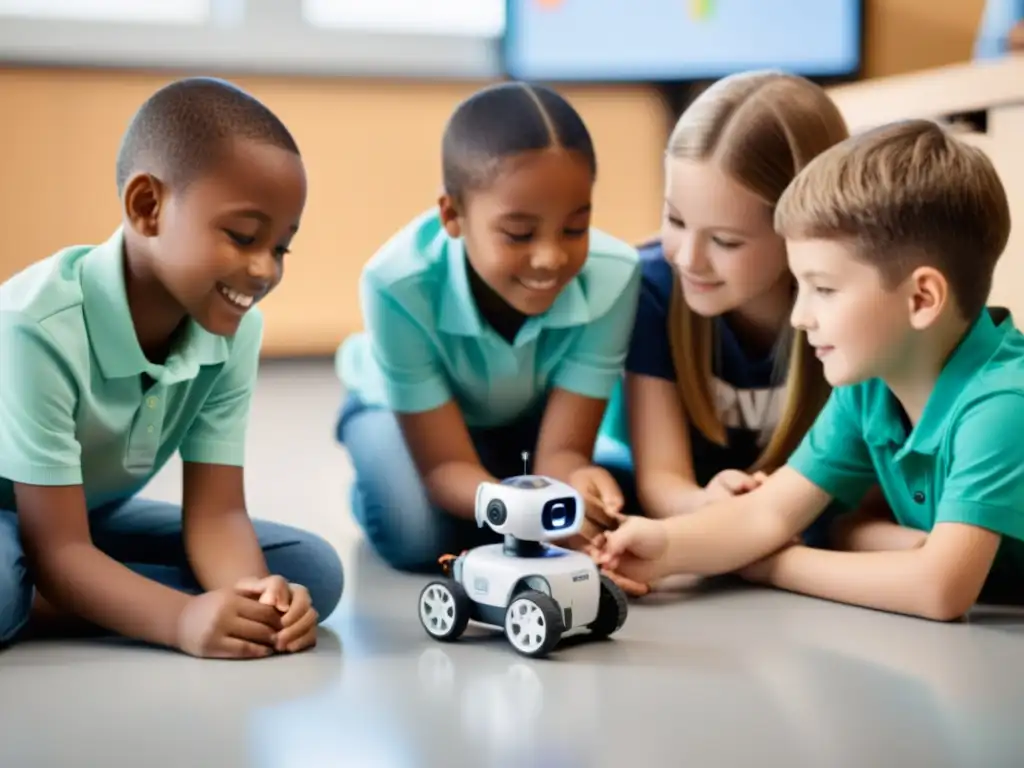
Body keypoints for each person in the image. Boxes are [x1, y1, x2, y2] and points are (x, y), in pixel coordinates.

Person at [595, 119, 1024, 621]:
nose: (800, 317)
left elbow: (937, 590)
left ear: (921, 298)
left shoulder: (1003, 403)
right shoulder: (870, 388)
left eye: (823, 289)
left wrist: (774, 566)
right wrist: (664, 547)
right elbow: (769, 511)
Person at [0, 77, 344, 655]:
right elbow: (58, 549)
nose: (264, 271)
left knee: (309, 571)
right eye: (242, 236)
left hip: (80, 512)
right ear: (147, 207)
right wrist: (179, 620)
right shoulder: (35, 327)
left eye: (281, 247)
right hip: (30, 521)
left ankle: (74, 596)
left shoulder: (232, 330)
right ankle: (62, 595)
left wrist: (253, 598)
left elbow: (217, 515)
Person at [336, 82, 641, 572]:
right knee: (417, 535)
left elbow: (562, 452)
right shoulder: (395, 283)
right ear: (452, 215)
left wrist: (572, 493)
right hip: (406, 416)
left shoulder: (616, 275)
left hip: (523, 420)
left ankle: (497, 485)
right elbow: (443, 465)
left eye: (575, 228)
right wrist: (532, 514)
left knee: (619, 500)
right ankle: (378, 484)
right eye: (519, 234)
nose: (551, 258)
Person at [592, 72, 850, 542]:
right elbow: (662, 484)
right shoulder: (653, 289)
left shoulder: (850, 307)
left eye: (726, 241)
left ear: (802, 232)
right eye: (675, 219)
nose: (688, 258)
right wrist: (708, 504)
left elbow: (852, 499)